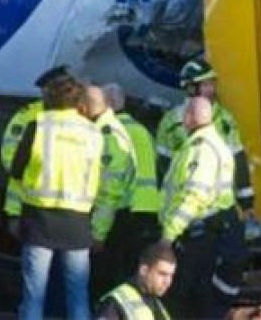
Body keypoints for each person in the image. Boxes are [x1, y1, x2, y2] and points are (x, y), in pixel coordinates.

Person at [156, 58, 253, 307]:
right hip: (186, 215)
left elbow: (238, 158)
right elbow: (164, 168)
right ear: (190, 88)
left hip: (212, 211)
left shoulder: (223, 119)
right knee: (190, 281)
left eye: (212, 83)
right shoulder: (171, 122)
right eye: (206, 84)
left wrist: (246, 200)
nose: (212, 88)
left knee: (214, 273)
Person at [9, 77, 102, 320]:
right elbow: (97, 177)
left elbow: (17, 169)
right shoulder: (93, 131)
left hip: (40, 221)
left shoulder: (38, 125)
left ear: (49, 99)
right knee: (78, 296)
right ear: (79, 101)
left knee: (34, 295)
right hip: (78, 224)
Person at [159, 96, 237, 319]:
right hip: (206, 231)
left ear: (191, 117)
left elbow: (193, 196)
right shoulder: (209, 144)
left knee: (185, 294)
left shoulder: (201, 149)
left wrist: (169, 234)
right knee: (198, 294)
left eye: (185, 115)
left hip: (198, 232)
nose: (182, 119)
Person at [2, 65, 76, 220]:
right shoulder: (27, 116)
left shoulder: (78, 119)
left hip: (64, 207)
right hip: (24, 203)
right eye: (58, 88)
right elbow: (9, 158)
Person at [102, 84, 162, 275]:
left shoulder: (110, 131)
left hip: (125, 207)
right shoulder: (141, 130)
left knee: (117, 266)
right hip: (150, 206)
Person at [84, 85, 137, 299]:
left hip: (110, 221)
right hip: (112, 218)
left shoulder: (108, 135)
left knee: (104, 284)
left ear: (87, 107)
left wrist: (98, 233)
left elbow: (109, 191)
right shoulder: (107, 129)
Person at [95, 243, 176, 320]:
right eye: (162, 274)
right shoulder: (115, 302)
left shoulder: (156, 303)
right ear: (144, 270)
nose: (167, 282)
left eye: (171, 275)